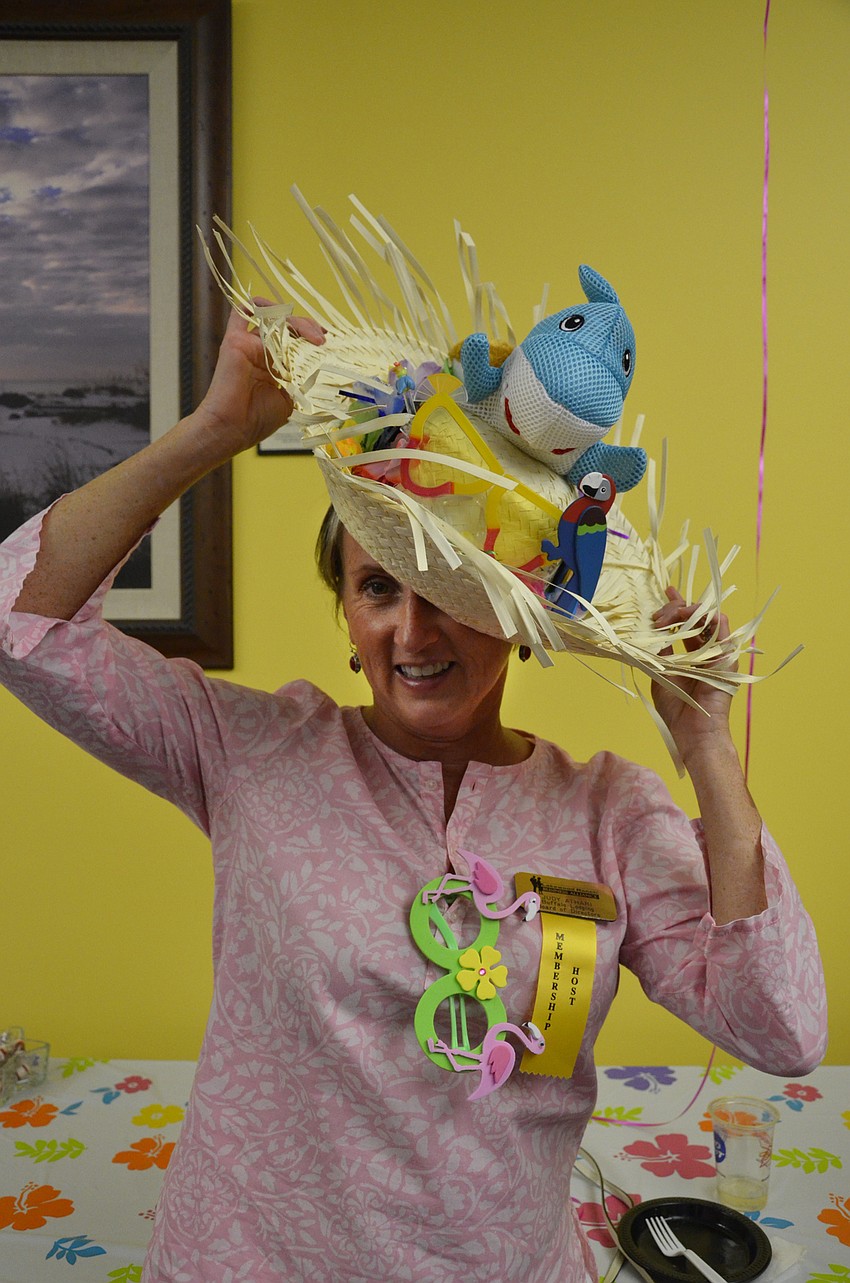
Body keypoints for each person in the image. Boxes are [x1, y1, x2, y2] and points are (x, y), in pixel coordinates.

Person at [0, 308, 827, 1283]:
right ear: (347, 617)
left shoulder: (609, 812)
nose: (413, 629)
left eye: (450, 589)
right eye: (378, 588)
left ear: (518, 616)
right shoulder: (250, 748)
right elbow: (29, 625)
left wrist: (706, 746)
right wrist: (214, 427)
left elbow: (780, 1026)